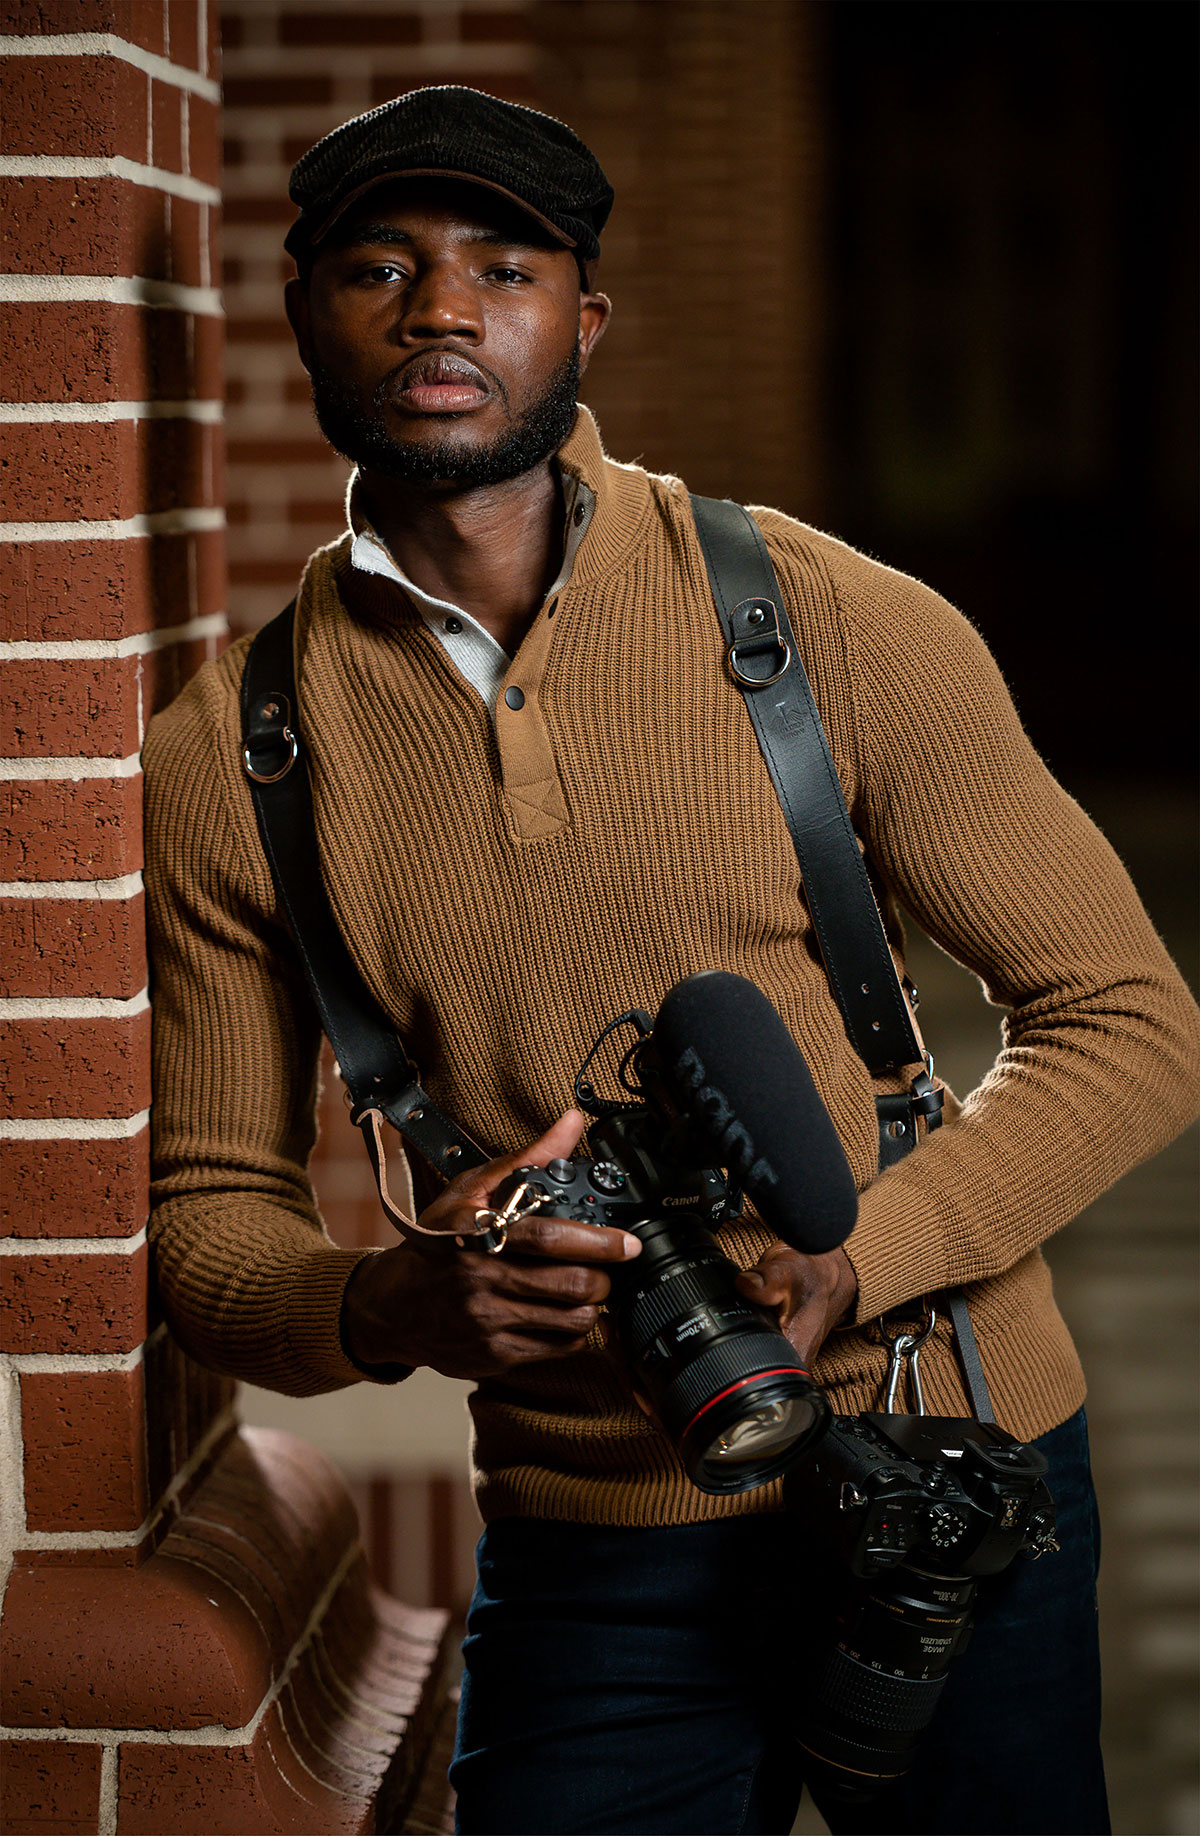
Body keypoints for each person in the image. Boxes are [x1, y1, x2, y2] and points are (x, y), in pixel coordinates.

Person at [143, 87, 1200, 1836]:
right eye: (380, 267)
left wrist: (868, 1255)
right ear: (303, 310)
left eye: (506, 265)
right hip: (588, 1535)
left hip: (945, 1460)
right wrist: (392, 1302)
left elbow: (1130, 1020)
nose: (441, 311)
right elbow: (206, 1212)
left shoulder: (828, 622)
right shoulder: (232, 749)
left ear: (582, 320)